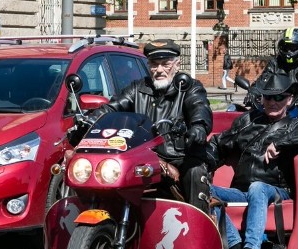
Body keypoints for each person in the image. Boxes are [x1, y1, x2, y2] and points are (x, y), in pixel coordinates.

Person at [207, 73, 298, 249]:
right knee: (200, 187)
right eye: (268, 97)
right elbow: (219, 143)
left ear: (289, 99)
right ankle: (234, 245)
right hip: (242, 191)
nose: (273, 102)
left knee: (258, 187)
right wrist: (203, 165)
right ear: (262, 98)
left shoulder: (296, 124)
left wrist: (280, 142)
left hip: (277, 191)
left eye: (279, 97)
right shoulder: (246, 122)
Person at [87, 39, 214, 214]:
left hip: (179, 157)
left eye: (165, 64)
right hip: (144, 156)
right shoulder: (137, 88)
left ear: (177, 64)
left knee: (195, 173)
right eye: (154, 64)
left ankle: (197, 230)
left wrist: (198, 127)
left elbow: (199, 107)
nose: (159, 70)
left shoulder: (190, 87)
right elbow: (113, 107)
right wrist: (89, 120)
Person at [253, 28, 298, 122]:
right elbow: (263, 80)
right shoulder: (275, 62)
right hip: (278, 104)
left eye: (293, 47)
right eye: (285, 47)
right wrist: (253, 92)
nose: (289, 51)